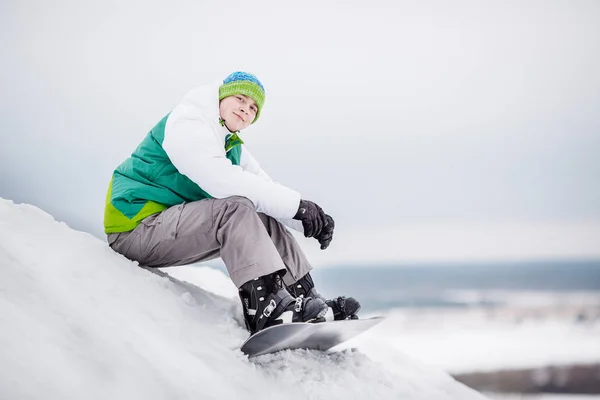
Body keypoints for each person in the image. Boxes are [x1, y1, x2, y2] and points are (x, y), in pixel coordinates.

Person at [104, 71, 360, 334]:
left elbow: (266, 191)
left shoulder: (231, 145)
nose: (245, 109)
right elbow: (219, 180)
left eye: (253, 108)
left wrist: (309, 219)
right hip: (135, 228)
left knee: (260, 212)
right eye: (239, 98)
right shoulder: (188, 121)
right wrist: (297, 206)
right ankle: (265, 308)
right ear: (221, 97)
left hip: (168, 225)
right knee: (236, 207)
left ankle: (305, 298)